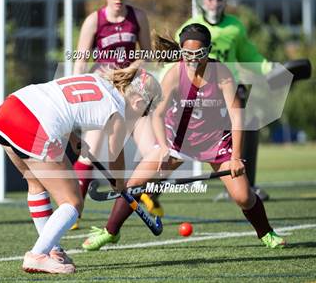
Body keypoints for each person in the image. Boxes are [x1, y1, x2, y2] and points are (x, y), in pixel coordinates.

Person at [82, 24, 286, 251]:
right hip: (177, 140)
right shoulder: (173, 76)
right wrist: (162, 148)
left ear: (208, 51)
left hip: (215, 141)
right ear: (181, 51)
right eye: (187, 54)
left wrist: (236, 157)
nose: (193, 60)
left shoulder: (222, 75)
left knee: (243, 196)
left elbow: (237, 118)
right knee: (135, 184)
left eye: (199, 54)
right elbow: (158, 114)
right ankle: (110, 232)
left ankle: (266, 232)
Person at [0, 62, 162, 273]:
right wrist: (120, 184)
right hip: (33, 126)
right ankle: (37, 255)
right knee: (72, 202)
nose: (144, 116)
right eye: (147, 110)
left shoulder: (98, 81)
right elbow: (114, 154)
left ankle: (52, 250)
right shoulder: (117, 110)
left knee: (36, 184)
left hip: (7, 112)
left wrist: (72, 138)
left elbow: (56, 102)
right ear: (138, 101)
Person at [70, 0, 153, 229]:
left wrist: (131, 71)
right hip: (101, 91)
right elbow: (81, 61)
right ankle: (72, 209)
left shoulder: (138, 17)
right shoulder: (94, 20)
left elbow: (148, 55)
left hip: (129, 91)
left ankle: (141, 194)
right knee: (90, 152)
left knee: (150, 150)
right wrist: (77, 92)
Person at [178, 0, 272, 202]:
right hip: (199, 94)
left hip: (229, 90)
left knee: (245, 131)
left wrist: (268, 68)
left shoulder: (234, 26)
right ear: (201, 1)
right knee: (179, 143)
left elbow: (248, 54)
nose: (215, 3)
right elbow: (176, 61)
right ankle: (149, 191)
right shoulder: (191, 27)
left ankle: (246, 185)